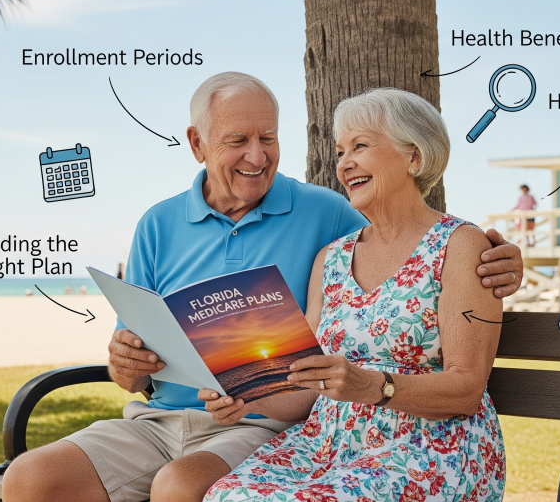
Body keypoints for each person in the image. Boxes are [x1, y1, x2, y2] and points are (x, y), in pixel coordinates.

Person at [1, 73, 524, 502]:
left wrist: (498, 259)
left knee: (184, 489)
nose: (257, 155)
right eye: (237, 141)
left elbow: (424, 247)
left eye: (268, 138)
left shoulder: (331, 216)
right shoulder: (170, 226)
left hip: (291, 435)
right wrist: (126, 364)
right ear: (197, 144)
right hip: (180, 419)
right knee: (28, 480)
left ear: (413, 157)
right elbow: (133, 369)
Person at [204, 88, 505, 501]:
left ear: (414, 157)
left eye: (360, 146)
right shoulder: (331, 258)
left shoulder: (460, 245)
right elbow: (304, 388)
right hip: (326, 447)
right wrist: (249, 397)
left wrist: (371, 387)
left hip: (430, 450)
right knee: (228, 496)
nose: (345, 163)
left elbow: (466, 390)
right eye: (341, 150)